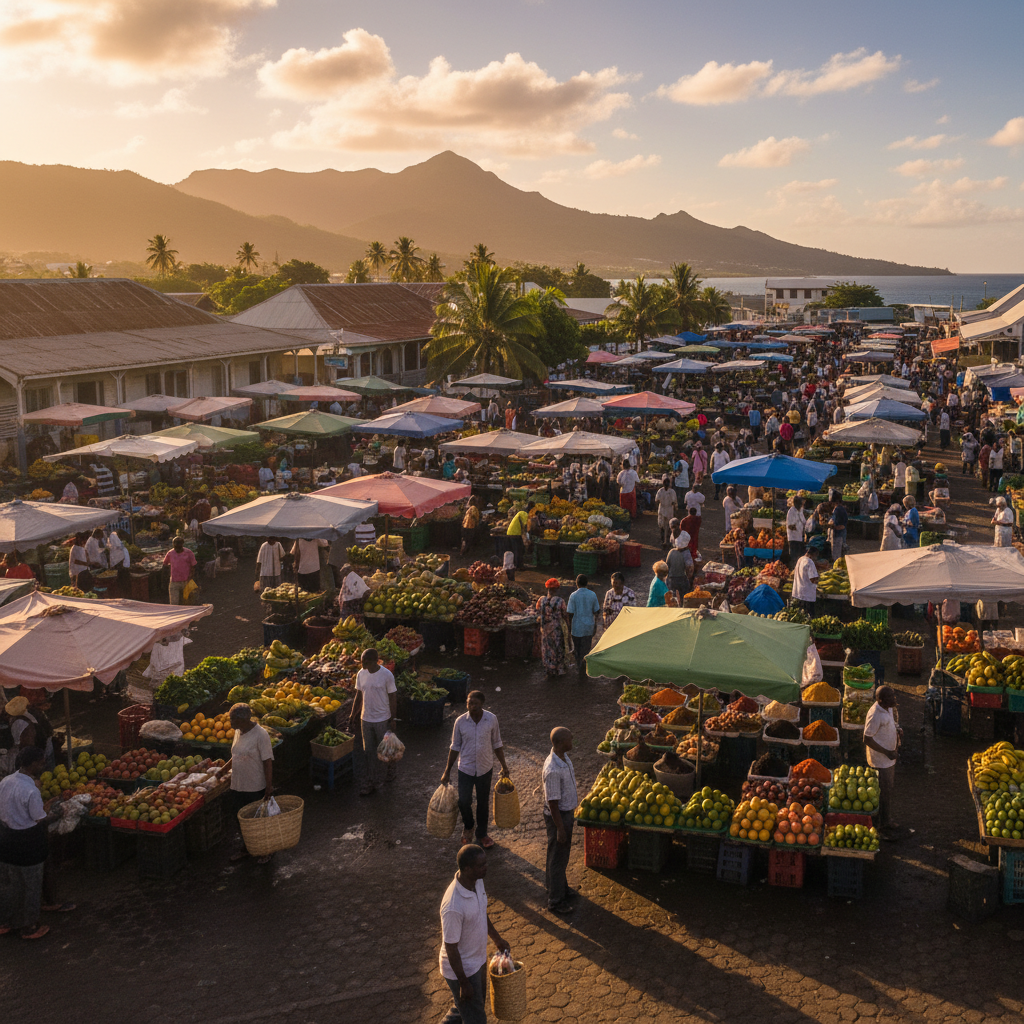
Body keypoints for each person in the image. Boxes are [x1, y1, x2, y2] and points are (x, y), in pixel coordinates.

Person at [438, 844, 510, 1024]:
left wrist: (497, 938)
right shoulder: (453, 906)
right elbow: (451, 948)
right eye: (481, 865)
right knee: (475, 1016)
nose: (486, 867)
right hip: (462, 969)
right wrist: (463, 983)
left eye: (485, 863)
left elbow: (481, 911)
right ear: (467, 869)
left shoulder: (477, 881)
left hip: (477, 960)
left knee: (469, 1005)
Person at [441, 692, 510, 849]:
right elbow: (454, 747)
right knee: (463, 801)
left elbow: (497, 743)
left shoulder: (491, 719)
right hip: (465, 768)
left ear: (482, 704)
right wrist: (447, 771)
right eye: (469, 703)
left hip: (485, 768)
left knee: (483, 803)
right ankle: (469, 826)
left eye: (475, 703)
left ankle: (482, 834)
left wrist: (504, 766)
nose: (471, 705)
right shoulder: (460, 722)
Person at [0, 747, 52, 939]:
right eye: (40, 762)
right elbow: (40, 818)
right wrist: (58, 813)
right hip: (28, 843)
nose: (43, 765)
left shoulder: (6, 781)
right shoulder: (31, 790)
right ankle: (29, 927)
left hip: (6, 840)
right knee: (31, 886)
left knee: (9, 885)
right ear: (31, 764)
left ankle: (4, 922)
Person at [227, 704, 275, 864]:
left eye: (233, 719)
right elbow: (236, 754)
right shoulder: (238, 732)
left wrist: (269, 787)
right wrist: (222, 771)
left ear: (243, 719)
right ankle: (247, 848)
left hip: (255, 786)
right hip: (237, 785)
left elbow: (267, 761)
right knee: (241, 820)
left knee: (258, 821)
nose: (230, 722)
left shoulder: (261, 735)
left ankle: (265, 850)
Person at [348, 648, 397, 797]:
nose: (363, 664)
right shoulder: (361, 674)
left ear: (375, 661)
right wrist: (353, 714)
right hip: (366, 719)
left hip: (382, 719)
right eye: (362, 661)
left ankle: (390, 770)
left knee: (385, 749)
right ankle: (371, 782)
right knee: (368, 751)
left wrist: (393, 718)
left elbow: (393, 697)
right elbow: (358, 695)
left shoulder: (386, 675)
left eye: (366, 662)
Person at [542, 727, 578, 915]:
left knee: (558, 856)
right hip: (559, 817)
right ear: (560, 742)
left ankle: (559, 889)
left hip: (565, 813)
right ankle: (555, 901)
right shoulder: (553, 769)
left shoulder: (563, 757)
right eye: (569, 739)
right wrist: (560, 829)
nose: (572, 740)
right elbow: (553, 803)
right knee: (557, 858)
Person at [863, 686, 901, 840]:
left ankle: (886, 820)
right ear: (880, 700)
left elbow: (890, 722)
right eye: (891, 697)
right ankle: (879, 826)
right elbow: (867, 738)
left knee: (887, 790)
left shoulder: (888, 708)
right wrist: (887, 752)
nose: (894, 699)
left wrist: (897, 729)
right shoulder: (875, 714)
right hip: (880, 761)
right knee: (882, 792)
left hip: (889, 759)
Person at [4, 696, 54, 771]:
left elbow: (22, 743)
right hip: (45, 744)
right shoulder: (31, 713)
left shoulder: (19, 722)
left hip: (38, 749)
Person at [566, 575, 601, 675]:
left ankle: (579, 665)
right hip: (588, 626)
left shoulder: (573, 595)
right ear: (587, 583)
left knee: (577, 648)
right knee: (586, 647)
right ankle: (584, 666)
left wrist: (569, 627)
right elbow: (597, 611)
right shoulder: (592, 594)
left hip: (576, 627)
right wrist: (595, 625)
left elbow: (570, 613)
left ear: (576, 584)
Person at [535, 579, 569, 677]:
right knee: (558, 648)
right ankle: (560, 669)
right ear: (557, 589)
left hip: (545, 629)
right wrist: (568, 627)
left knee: (547, 649)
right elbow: (565, 615)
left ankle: (550, 669)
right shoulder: (560, 601)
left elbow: (539, 613)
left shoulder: (541, 600)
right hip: (556, 629)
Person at [162, 536, 196, 605]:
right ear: (173, 545)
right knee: (174, 603)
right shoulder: (170, 553)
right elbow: (165, 564)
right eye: (175, 545)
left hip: (186, 581)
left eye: (179, 544)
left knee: (187, 603)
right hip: (174, 582)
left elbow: (194, 566)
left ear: (182, 544)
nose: (177, 547)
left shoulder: (189, 553)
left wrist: (191, 578)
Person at [791, 549, 819, 616]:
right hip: (807, 595)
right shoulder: (810, 562)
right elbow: (812, 578)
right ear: (814, 554)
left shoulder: (800, 559)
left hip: (797, 593)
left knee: (799, 616)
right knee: (809, 616)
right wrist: (818, 580)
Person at [666, 533, 693, 601]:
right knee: (683, 597)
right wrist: (689, 578)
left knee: (673, 598)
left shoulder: (671, 552)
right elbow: (690, 568)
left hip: (671, 580)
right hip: (682, 579)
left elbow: (667, 566)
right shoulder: (686, 554)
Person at [654, 476, 677, 545]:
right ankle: (666, 540)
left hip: (663, 508)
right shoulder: (672, 491)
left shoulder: (660, 491)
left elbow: (656, 500)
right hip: (667, 509)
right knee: (666, 525)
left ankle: (664, 540)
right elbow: (674, 502)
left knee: (663, 525)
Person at [827, 490, 848, 561]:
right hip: (837, 535)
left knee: (836, 556)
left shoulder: (839, 510)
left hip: (838, 536)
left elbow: (841, 525)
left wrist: (830, 526)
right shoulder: (838, 509)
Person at [786, 496, 808, 562]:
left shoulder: (800, 510)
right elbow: (790, 526)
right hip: (793, 538)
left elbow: (803, 521)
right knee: (794, 556)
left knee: (800, 556)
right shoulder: (791, 511)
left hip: (800, 537)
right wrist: (798, 529)